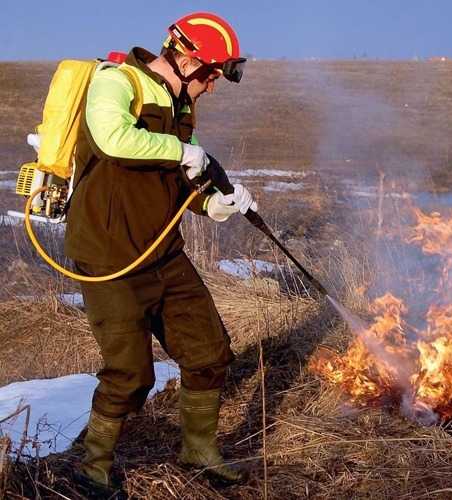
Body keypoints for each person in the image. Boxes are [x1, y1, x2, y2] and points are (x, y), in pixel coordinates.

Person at [64, 12, 255, 496]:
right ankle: (92, 469)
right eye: (211, 74)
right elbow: (114, 139)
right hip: (111, 255)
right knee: (130, 374)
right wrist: (183, 151)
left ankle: (199, 451)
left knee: (210, 352)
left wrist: (214, 203)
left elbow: (179, 177)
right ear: (186, 56)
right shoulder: (117, 81)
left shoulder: (182, 105)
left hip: (162, 252)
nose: (212, 86)